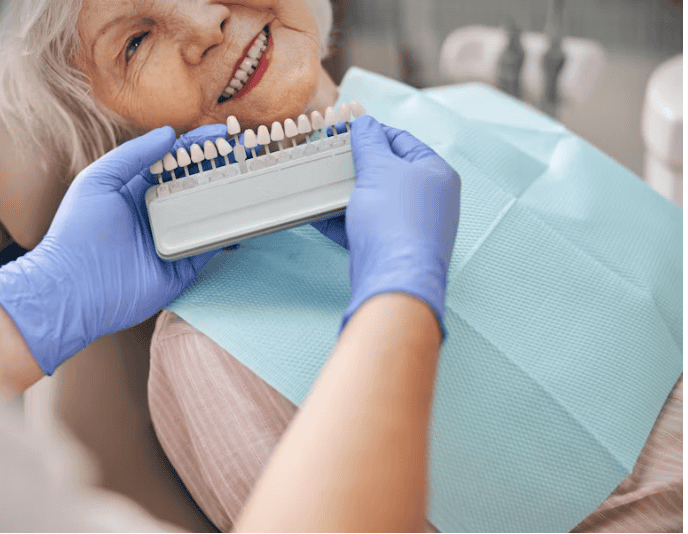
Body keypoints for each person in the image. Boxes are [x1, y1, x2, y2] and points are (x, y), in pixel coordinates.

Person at [0, 1, 681, 531]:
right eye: (135, 41)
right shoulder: (213, 359)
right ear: (104, 135)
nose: (205, 21)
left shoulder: (446, 107)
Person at [0, 115, 461, 532]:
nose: (212, 26)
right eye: (136, 44)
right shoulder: (202, 355)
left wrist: (29, 306)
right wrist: (400, 290)